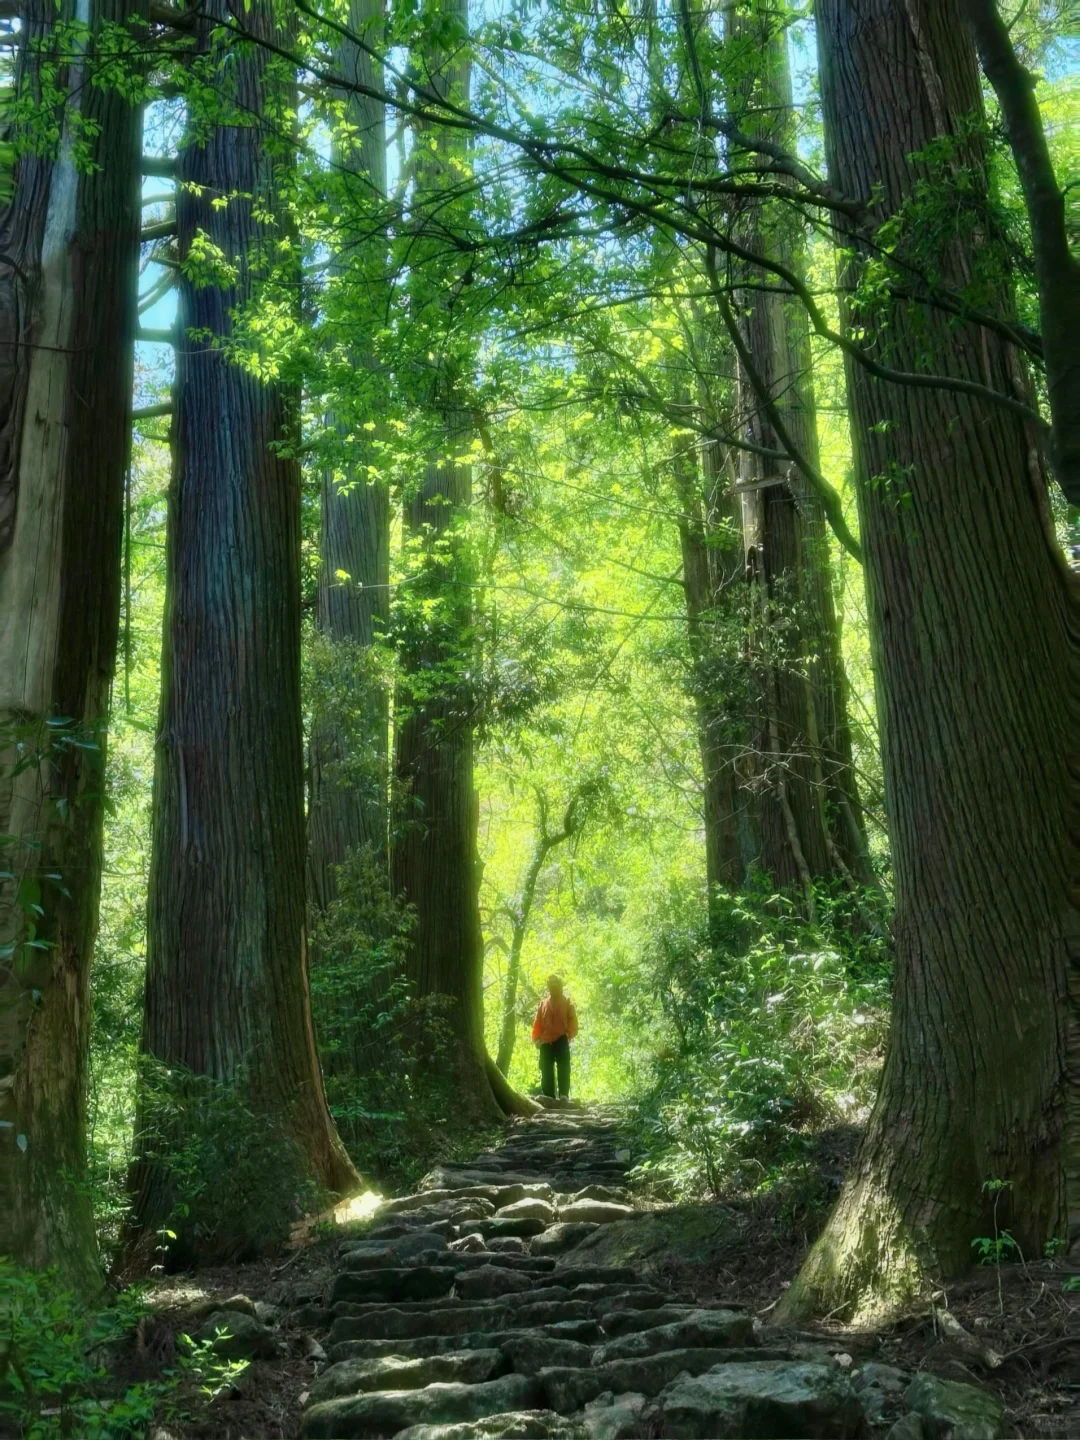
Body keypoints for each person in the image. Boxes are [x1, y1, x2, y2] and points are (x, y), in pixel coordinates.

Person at [531, 974, 578, 1100]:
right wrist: (536, 1038)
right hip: (546, 1041)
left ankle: (563, 1095)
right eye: (551, 983)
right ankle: (549, 1097)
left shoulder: (567, 1001)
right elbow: (538, 1022)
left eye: (555, 983)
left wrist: (569, 1034)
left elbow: (573, 1020)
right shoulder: (543, 1003)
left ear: (560, 984)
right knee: (546, 1069)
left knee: (564, 1068)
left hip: (561, 1038)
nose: (553, 985)